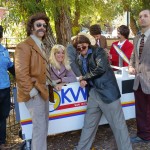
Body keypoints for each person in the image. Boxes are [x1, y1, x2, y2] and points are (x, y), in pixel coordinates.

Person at [73, 34, 132, 150]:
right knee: (88, 126)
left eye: (83, 47)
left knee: (118, 126)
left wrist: (85, 77)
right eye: (78, 48)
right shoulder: (78, 59)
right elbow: (84, 75)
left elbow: (101, 68)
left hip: (107, 93)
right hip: (93, 94)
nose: (81, 50)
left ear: (88, 44)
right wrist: (83, 80)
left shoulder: (98, 51)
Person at [15, 13, 53, 150]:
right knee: (40, 128)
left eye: (44, 25)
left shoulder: (41, 44)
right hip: (35, 92)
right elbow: (21, 73)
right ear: (31, 27)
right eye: (38, 25)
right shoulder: (24, 46)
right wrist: (32, 92)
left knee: (42, 127)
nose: (42, 27)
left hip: (42, 91)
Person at [129, 9, 150, 143]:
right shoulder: (136, 38)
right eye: (140, 16)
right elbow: (133, 56)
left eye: (146, 16)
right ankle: (143, 135)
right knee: (141, 110)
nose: (142, 18)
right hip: (139, 81)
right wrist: (131, 66)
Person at [0, 25, 15, 150]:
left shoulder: (3, 50)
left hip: (4, 89)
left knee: (3, 116)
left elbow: (11, 66)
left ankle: (1, 142)